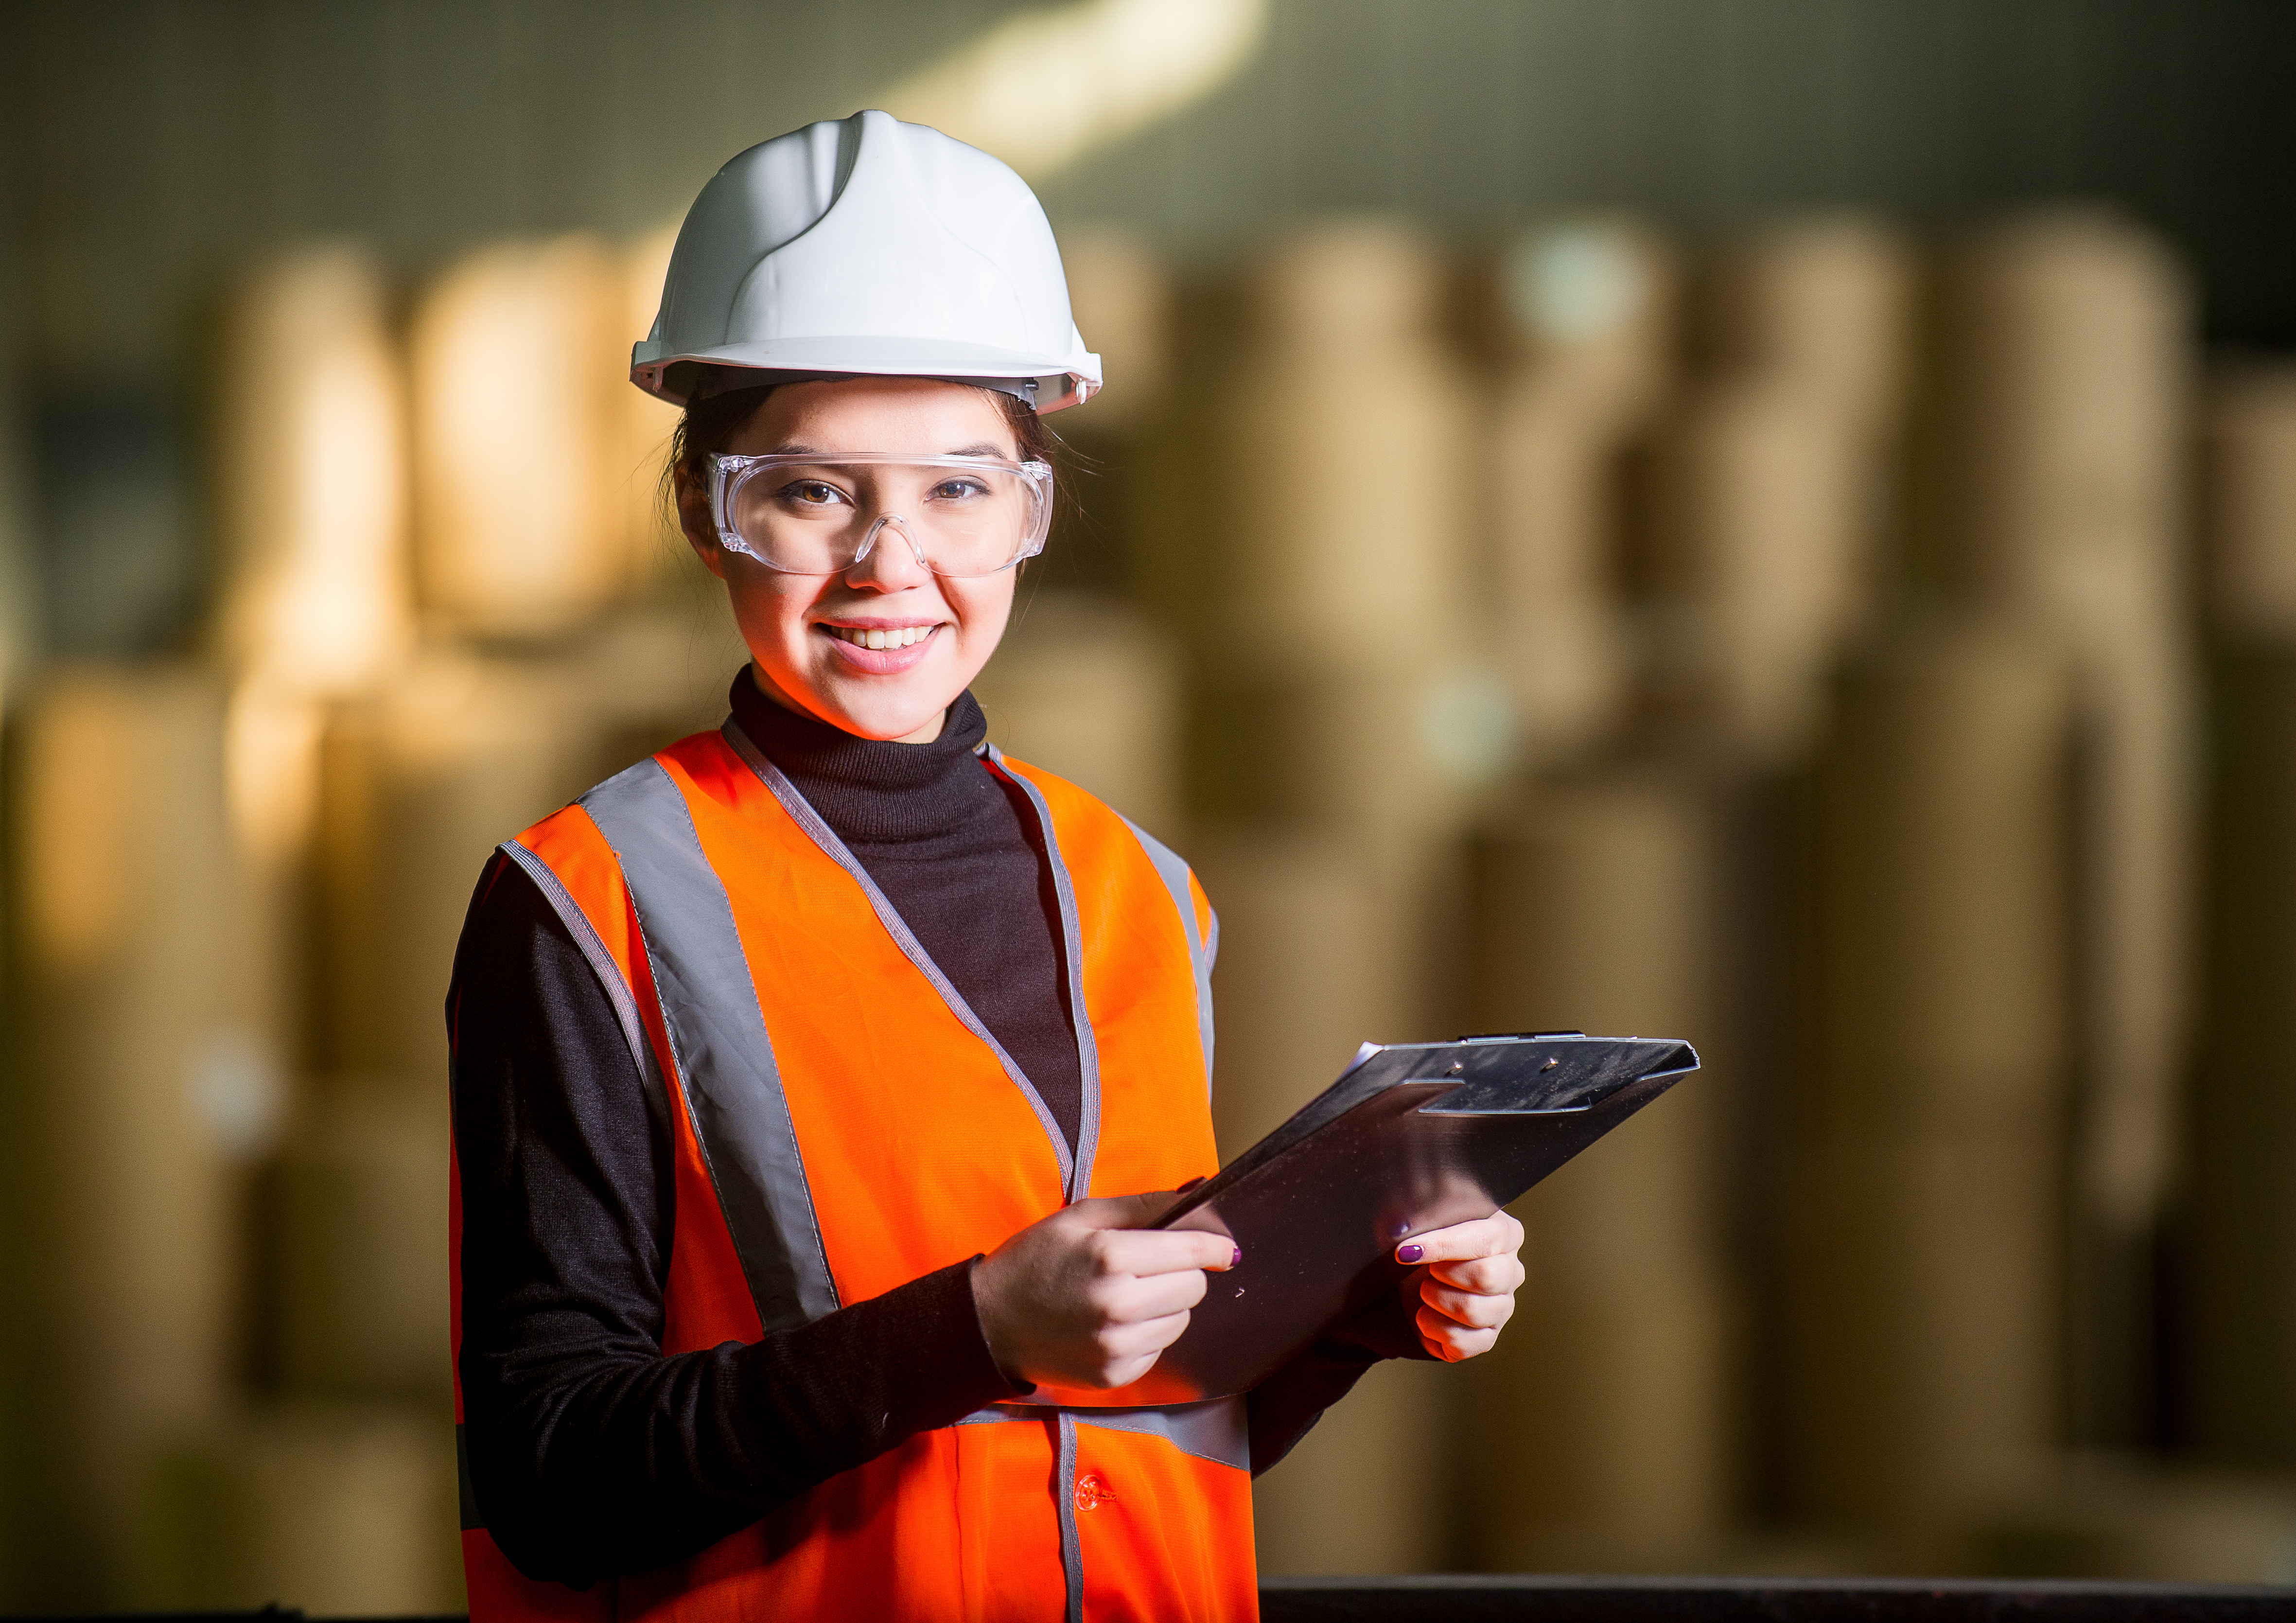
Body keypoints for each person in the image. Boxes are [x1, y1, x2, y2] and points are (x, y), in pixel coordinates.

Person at [447, 109, 1527, 1622]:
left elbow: (1120, 1444)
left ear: (1032, 511)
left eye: (960, 488)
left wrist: (1356, 1311)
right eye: (813, 491)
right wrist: (975, 1324)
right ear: (708, 509)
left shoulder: (1139, 891)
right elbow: (552, 1474)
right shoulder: (586, 902)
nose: (893, 565)